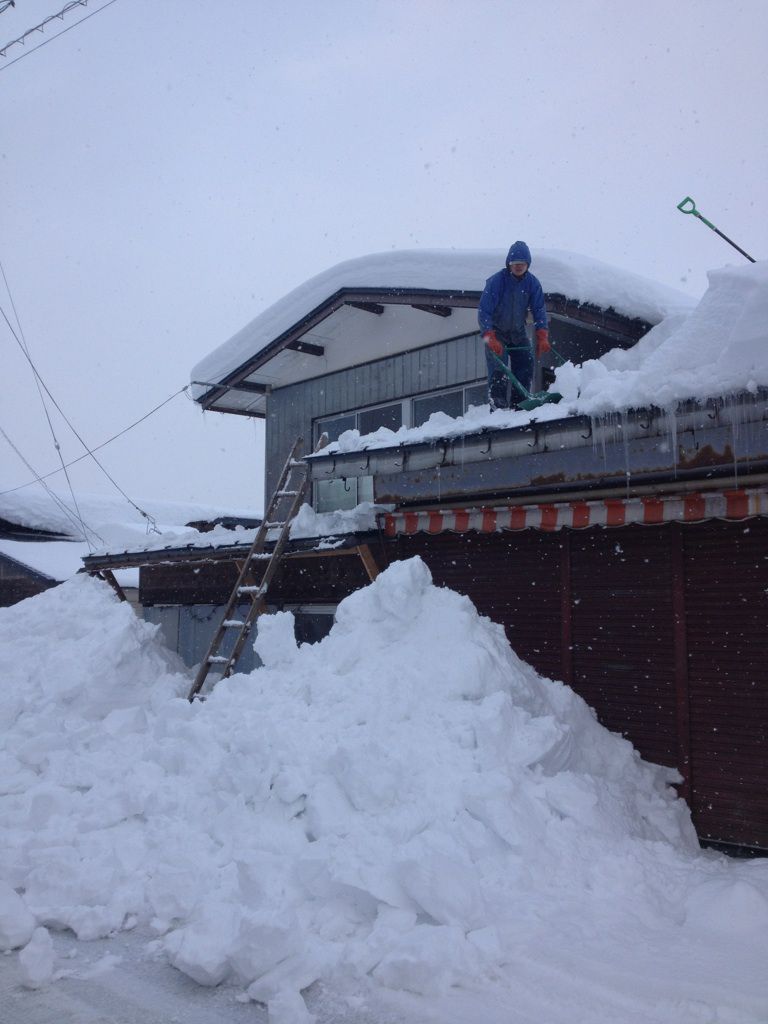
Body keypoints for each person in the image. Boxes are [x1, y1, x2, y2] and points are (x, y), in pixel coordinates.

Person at [478, 241, 550, 410]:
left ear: (528, 264)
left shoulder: (532, 283)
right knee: (499, 366)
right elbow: (484, 311)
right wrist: (489, 336)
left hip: (517, 332)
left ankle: (520, 402)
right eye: (515, 264)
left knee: (526, 362)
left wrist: (542, 334)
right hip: (497, 333)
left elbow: (539, 309)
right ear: (509, 264)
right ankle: (498, 403)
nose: (518, 267)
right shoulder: (497, 281)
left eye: (522, 264)